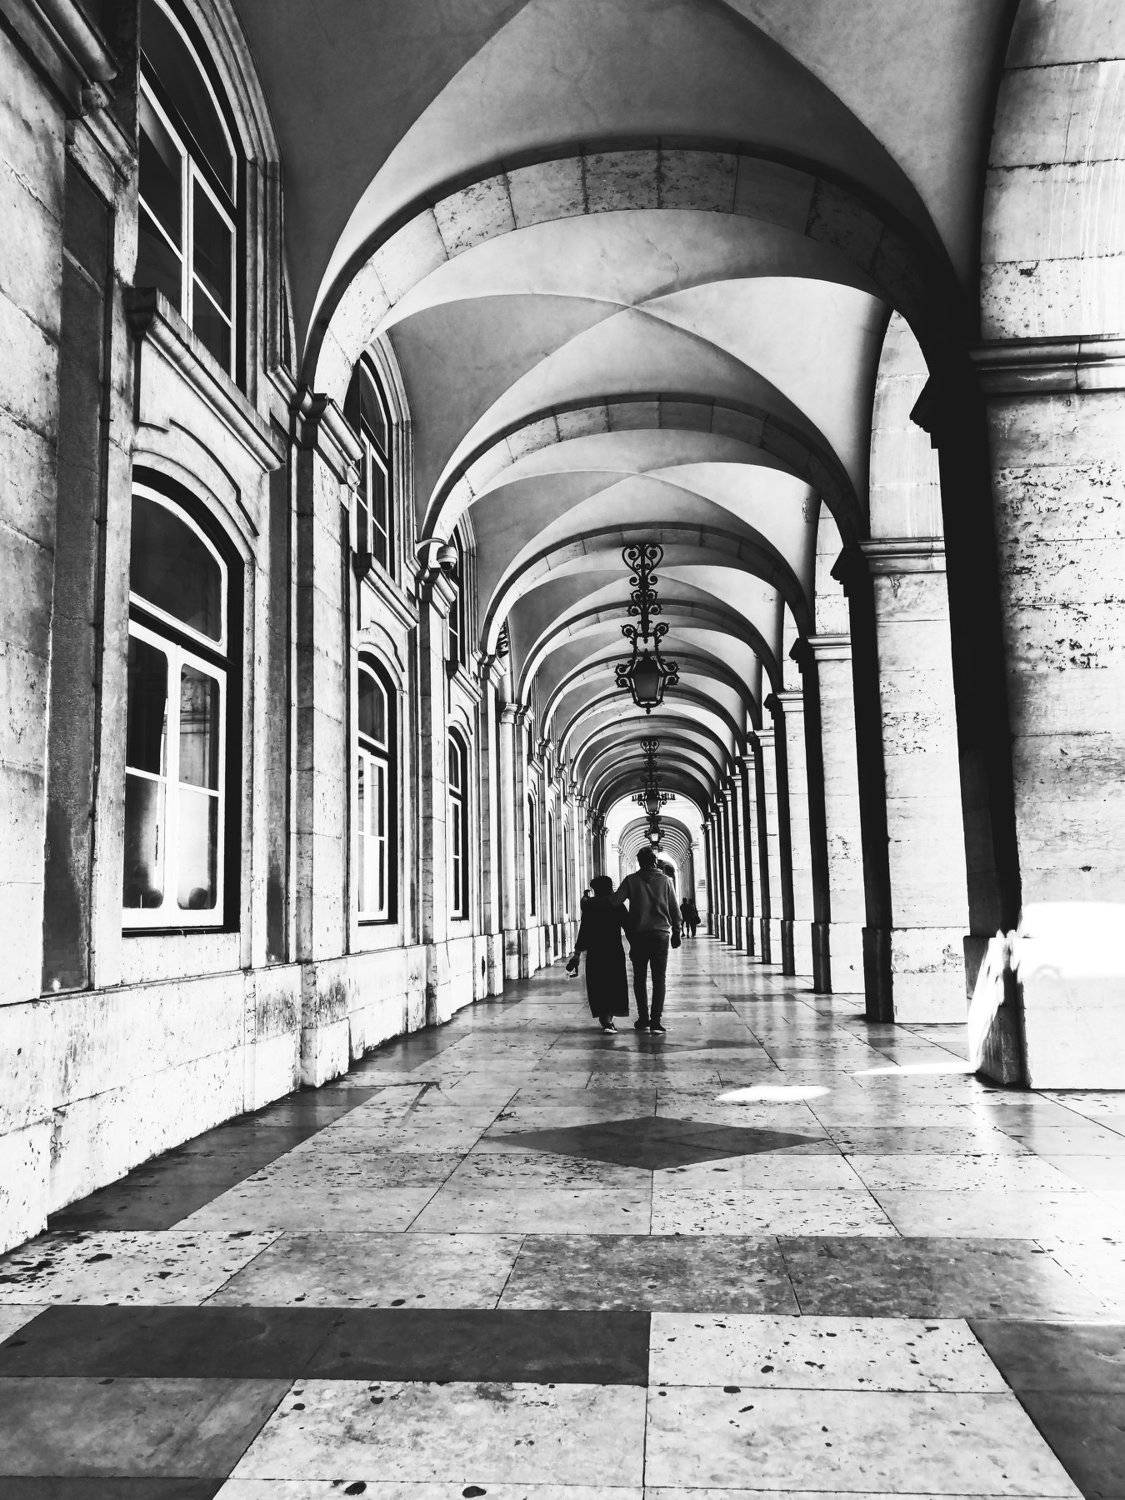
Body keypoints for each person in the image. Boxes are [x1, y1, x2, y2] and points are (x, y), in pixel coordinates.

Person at [614, 847, 682, 1033]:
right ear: (654, 861)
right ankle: (656, 1021)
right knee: (659, 979)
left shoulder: (631, 880)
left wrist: (627, 920)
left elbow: (615, 901)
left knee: (639, 978)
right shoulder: (666, 881)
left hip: (639, 935)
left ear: (639, 862)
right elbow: (674, 908)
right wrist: (677, 931)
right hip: (660, 934)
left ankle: (643, 1018)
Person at [565, 875, 630, 1033]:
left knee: (598, 985)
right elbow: (629, 926)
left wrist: (577, 954)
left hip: (596, 951)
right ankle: (608, 1019)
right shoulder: (617, 905)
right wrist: (636, 946)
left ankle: (605, 1018)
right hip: (614, 949)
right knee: (614, 983)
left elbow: (584, 931)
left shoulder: (590, 906)